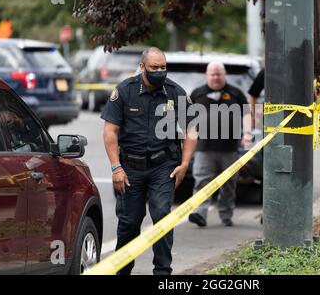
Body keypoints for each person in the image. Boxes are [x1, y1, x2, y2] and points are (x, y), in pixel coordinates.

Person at [101, 47, 197, 275]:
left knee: (162, 216)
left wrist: (184, 164)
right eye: (154, 68)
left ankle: (163, 273)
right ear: (142, 67)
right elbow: (110, 132)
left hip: (163, 165)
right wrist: (116, 168)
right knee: (129, 224)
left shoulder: (175, 92)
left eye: (163, 67)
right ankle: (122, 271)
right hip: (130, 167)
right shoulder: (125, 91)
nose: (160, 71)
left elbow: (191, 129)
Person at [188, 61, 252, 228]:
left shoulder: (236, 93)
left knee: (229, 184)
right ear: (207, 75)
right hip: (204, 148)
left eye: (219, 74)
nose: (216, 77)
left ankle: (226, 215)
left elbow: (246, 115)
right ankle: (199, 213)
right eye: (212, 74)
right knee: (202, 181)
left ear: (224, 75)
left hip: (229, 149)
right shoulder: (197, 94)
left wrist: (247, 133)